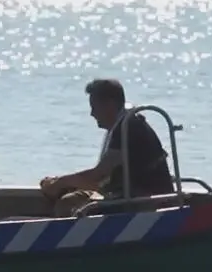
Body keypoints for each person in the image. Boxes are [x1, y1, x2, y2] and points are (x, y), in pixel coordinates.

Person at [40, 78, 176, 217]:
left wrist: (60, 183)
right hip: (127, 194)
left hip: (146, 203)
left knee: (69, 205)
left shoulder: (128, 128)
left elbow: (98, 176)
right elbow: (104, 181)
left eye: (94, 107)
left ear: (109, 105)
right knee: (67, 198)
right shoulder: (123, 123)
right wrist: (61, 182)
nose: (92, 114)